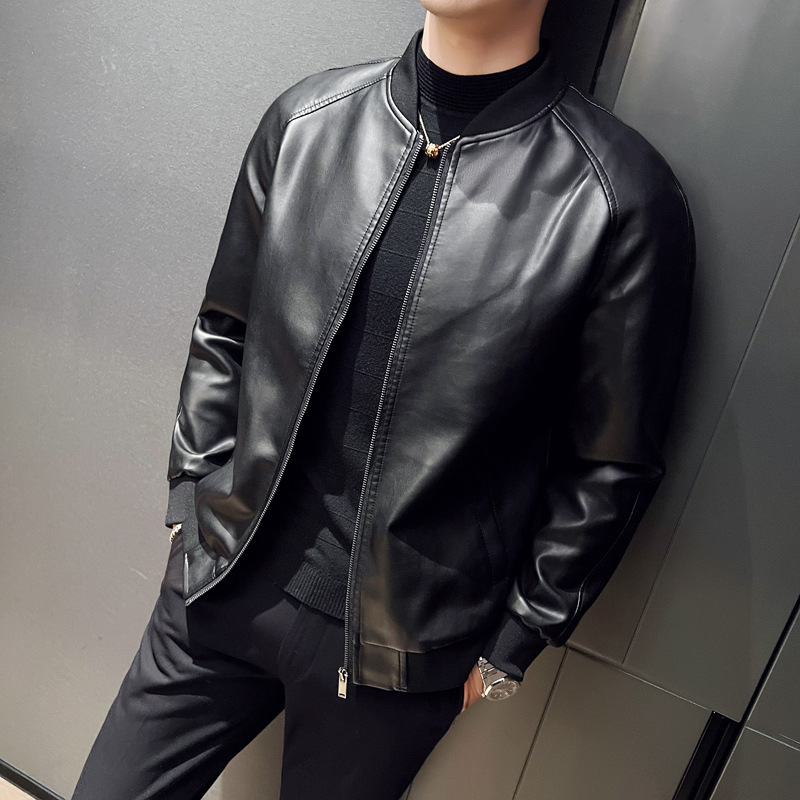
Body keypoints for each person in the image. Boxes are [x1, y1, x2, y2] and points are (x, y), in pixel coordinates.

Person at [72, 0, 695, 798]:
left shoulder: (617, 196)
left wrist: (512, 643)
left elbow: (610, 465)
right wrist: (192, 496)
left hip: (398, 664)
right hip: (222, 582)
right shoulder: (306, 121)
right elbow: (226, 327)